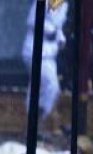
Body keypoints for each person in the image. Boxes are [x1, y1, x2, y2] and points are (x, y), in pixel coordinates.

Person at [21, 0, 69, 128]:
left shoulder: (63, 4)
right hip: (35, 49)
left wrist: (60, 38)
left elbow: (58, 26)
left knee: (39, 87)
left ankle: (33, 124)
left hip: (50, 52)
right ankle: (39, 121)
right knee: (51, 86)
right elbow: (33, 22)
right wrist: (52, 32)